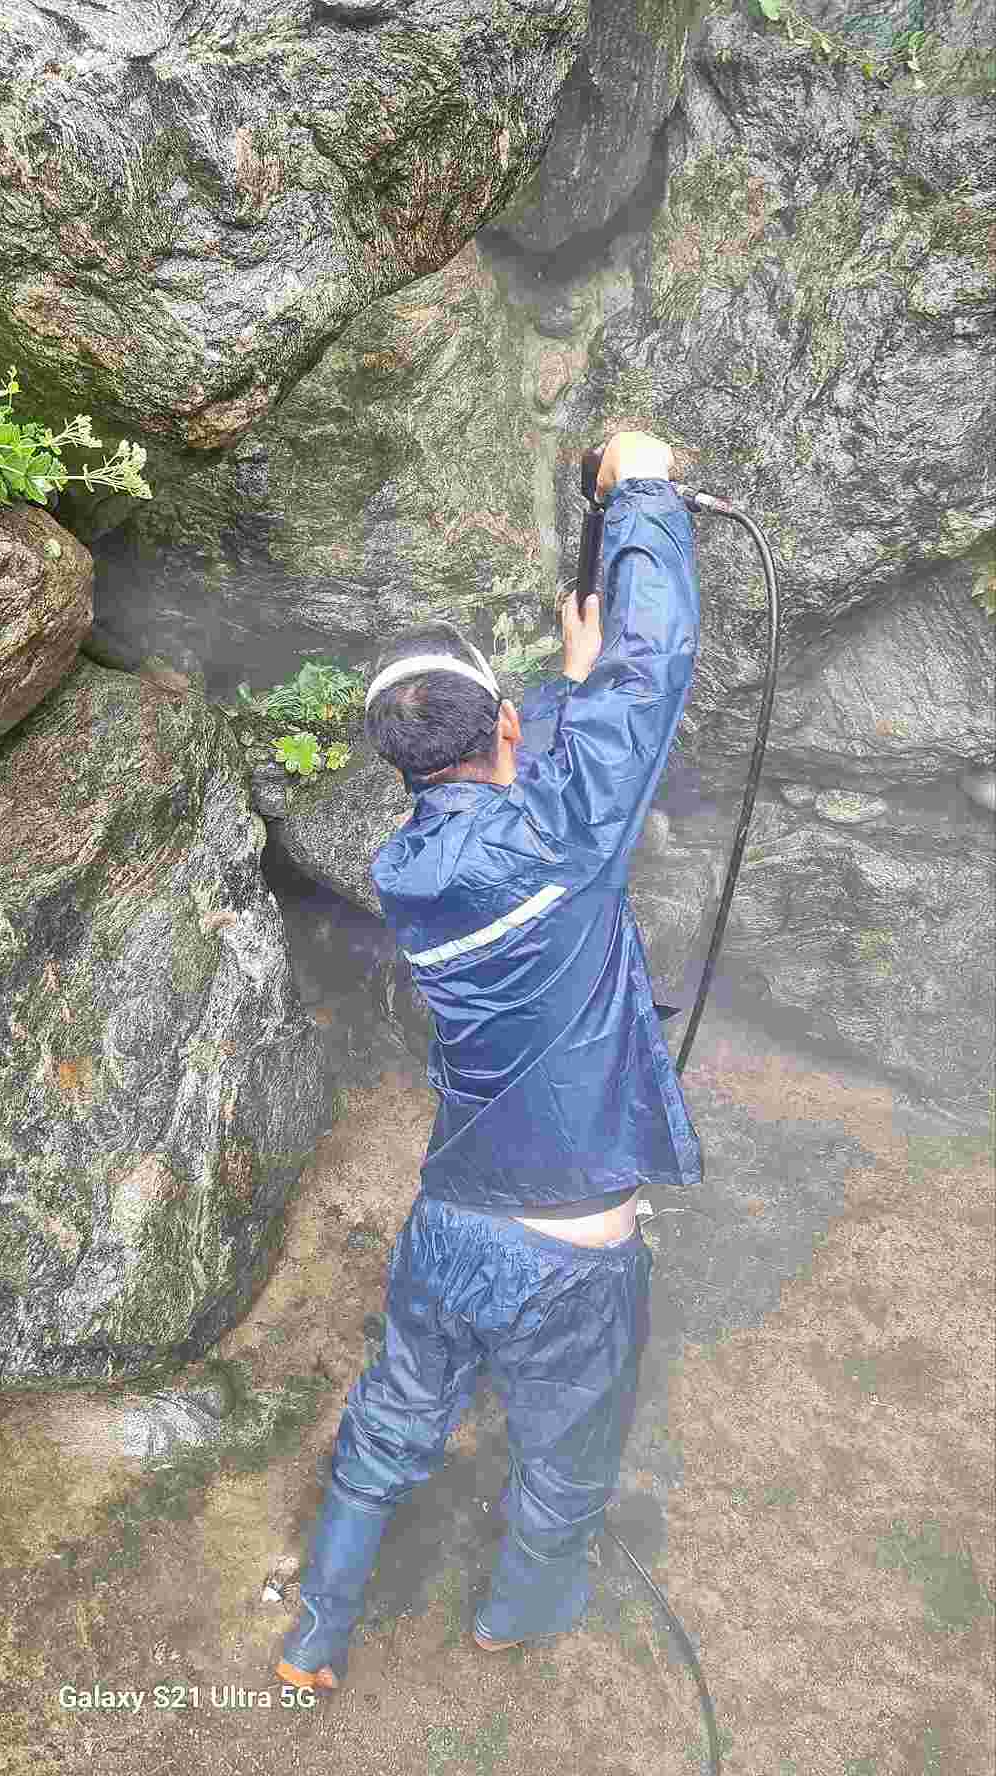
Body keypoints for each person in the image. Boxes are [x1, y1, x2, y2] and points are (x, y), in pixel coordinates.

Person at [275, 430, 703, 1692]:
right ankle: (515, 1616)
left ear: (398, 765)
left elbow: (521, 795)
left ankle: (313, 1638)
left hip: (450, 1226)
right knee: (568, 1454)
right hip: (565, 1251)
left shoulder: (407, 870)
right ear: (506, 725)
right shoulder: (559, 836)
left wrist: (559, 698)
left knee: (390, 1427)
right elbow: (656, 667)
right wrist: (644, 489)